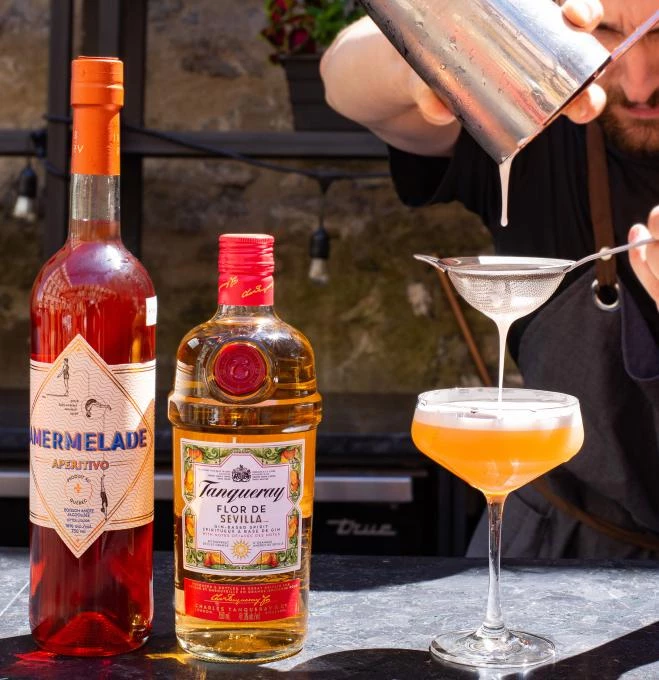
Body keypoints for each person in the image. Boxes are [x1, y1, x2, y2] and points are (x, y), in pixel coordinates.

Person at [320, 0, 659, 558]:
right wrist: (437, 53)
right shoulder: (543, 122)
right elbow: (341, 78)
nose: (641, 82)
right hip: (554, 542)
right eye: (607, 31)